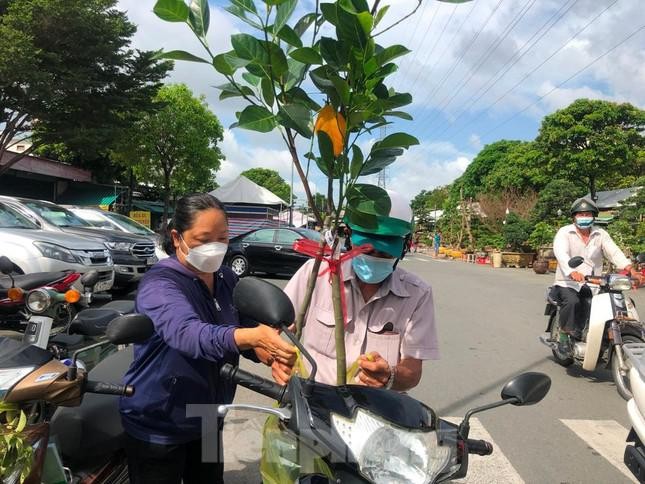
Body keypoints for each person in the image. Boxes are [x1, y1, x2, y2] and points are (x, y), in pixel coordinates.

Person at [119, 193, 296, 484]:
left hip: (208, 414)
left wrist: (267, 351)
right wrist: (252, 336)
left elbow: (242, 324)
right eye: (204, 239)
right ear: (177, 238)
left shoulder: (226, 278)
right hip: (160, 420)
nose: (215, 248)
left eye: (223, 238)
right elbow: (188, 334)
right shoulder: (160, 284)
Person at [281, 190, 439, 391]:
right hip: (313, 403)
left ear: (404, 247)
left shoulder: (418, 294)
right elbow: (275, 328)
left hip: (377, 411)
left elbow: (412, 371)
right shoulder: (315, 274)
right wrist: (276, 356)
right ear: (348, 237)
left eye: (383, 252)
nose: (373, 257)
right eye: (366, 249)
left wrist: (390, 376)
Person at [552, 197, 642, 353]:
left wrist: (630, 269)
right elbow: (561, 252)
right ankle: (565, 336)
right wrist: (572, 271)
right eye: (581, 214)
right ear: (574, 216)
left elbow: (613, 252)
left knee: (613, 303)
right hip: (567, 282)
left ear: (593, 216)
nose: (584, 217)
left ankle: (602, 336)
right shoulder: (564, 232)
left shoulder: (600, 234)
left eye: (588, 214)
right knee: (572, 301)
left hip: (594, 283)